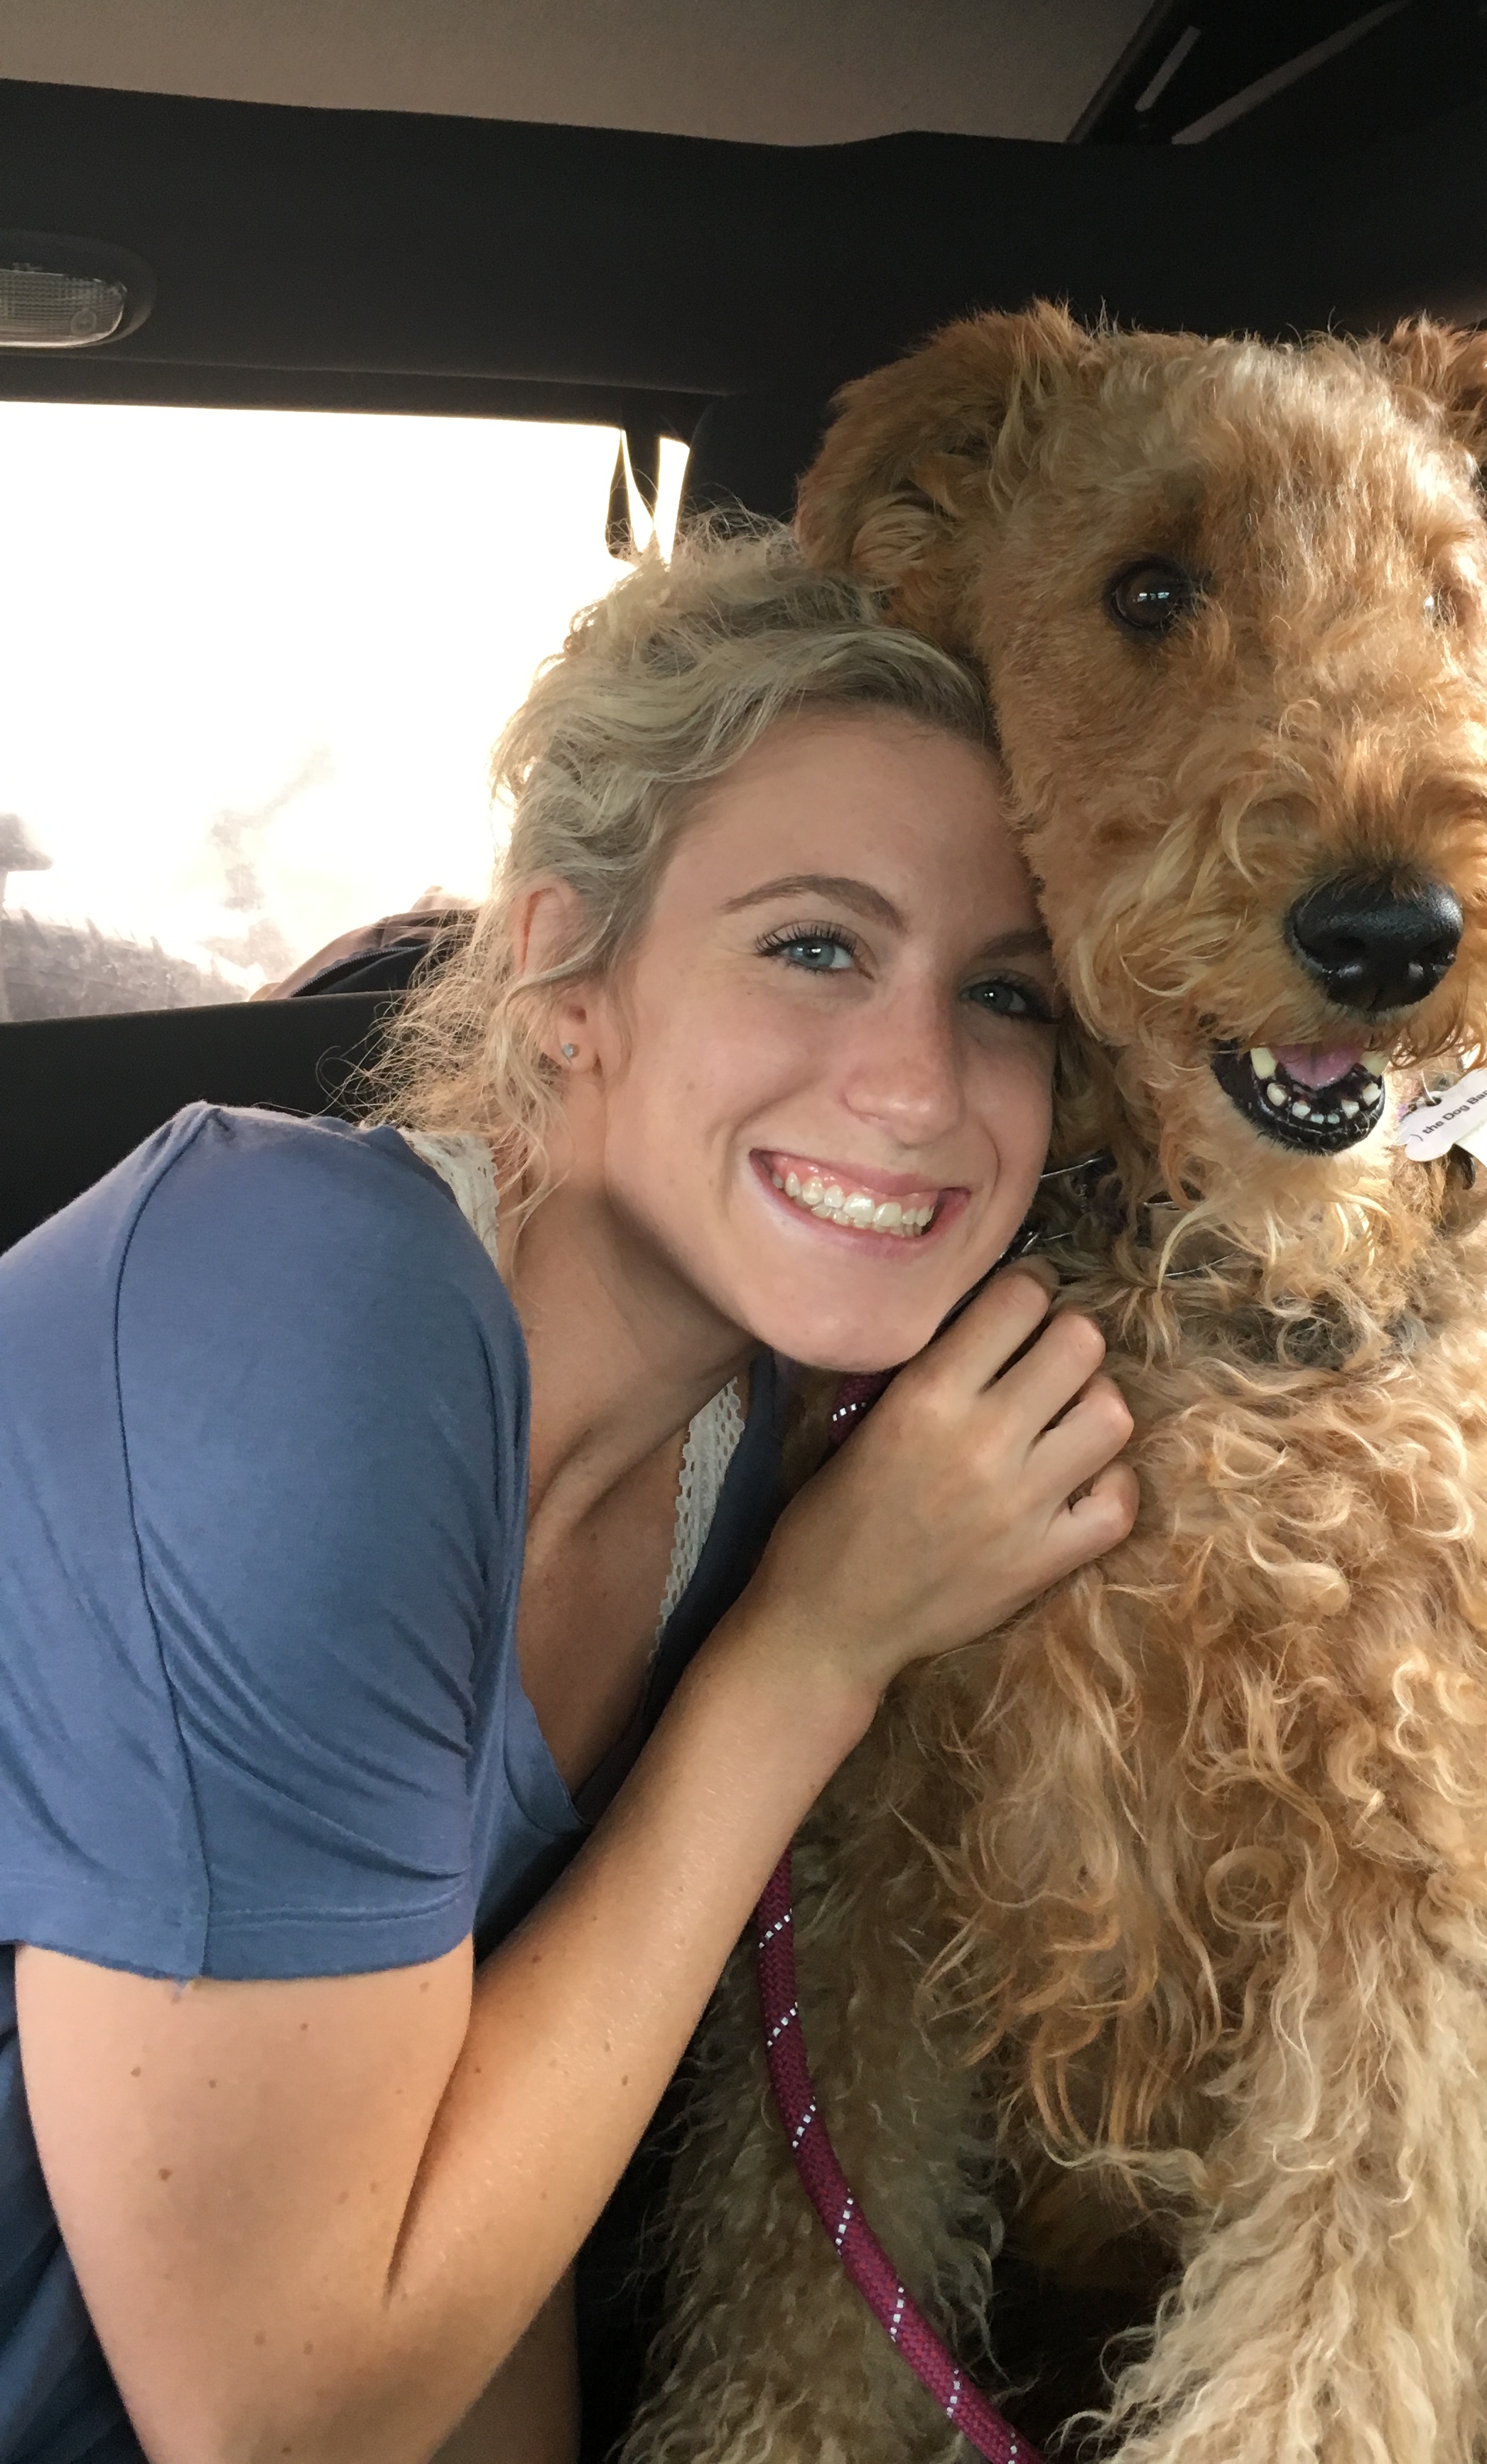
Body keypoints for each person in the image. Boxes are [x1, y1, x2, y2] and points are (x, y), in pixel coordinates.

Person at [0, 534, 1137, 2464]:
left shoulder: (755, 1442)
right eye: (814, 945)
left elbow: (482, 2173)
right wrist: (811, 1651)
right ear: (564, 977)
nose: (920, 1086)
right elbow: (284, 2425)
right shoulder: (287, 1313)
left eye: (1008, 994)